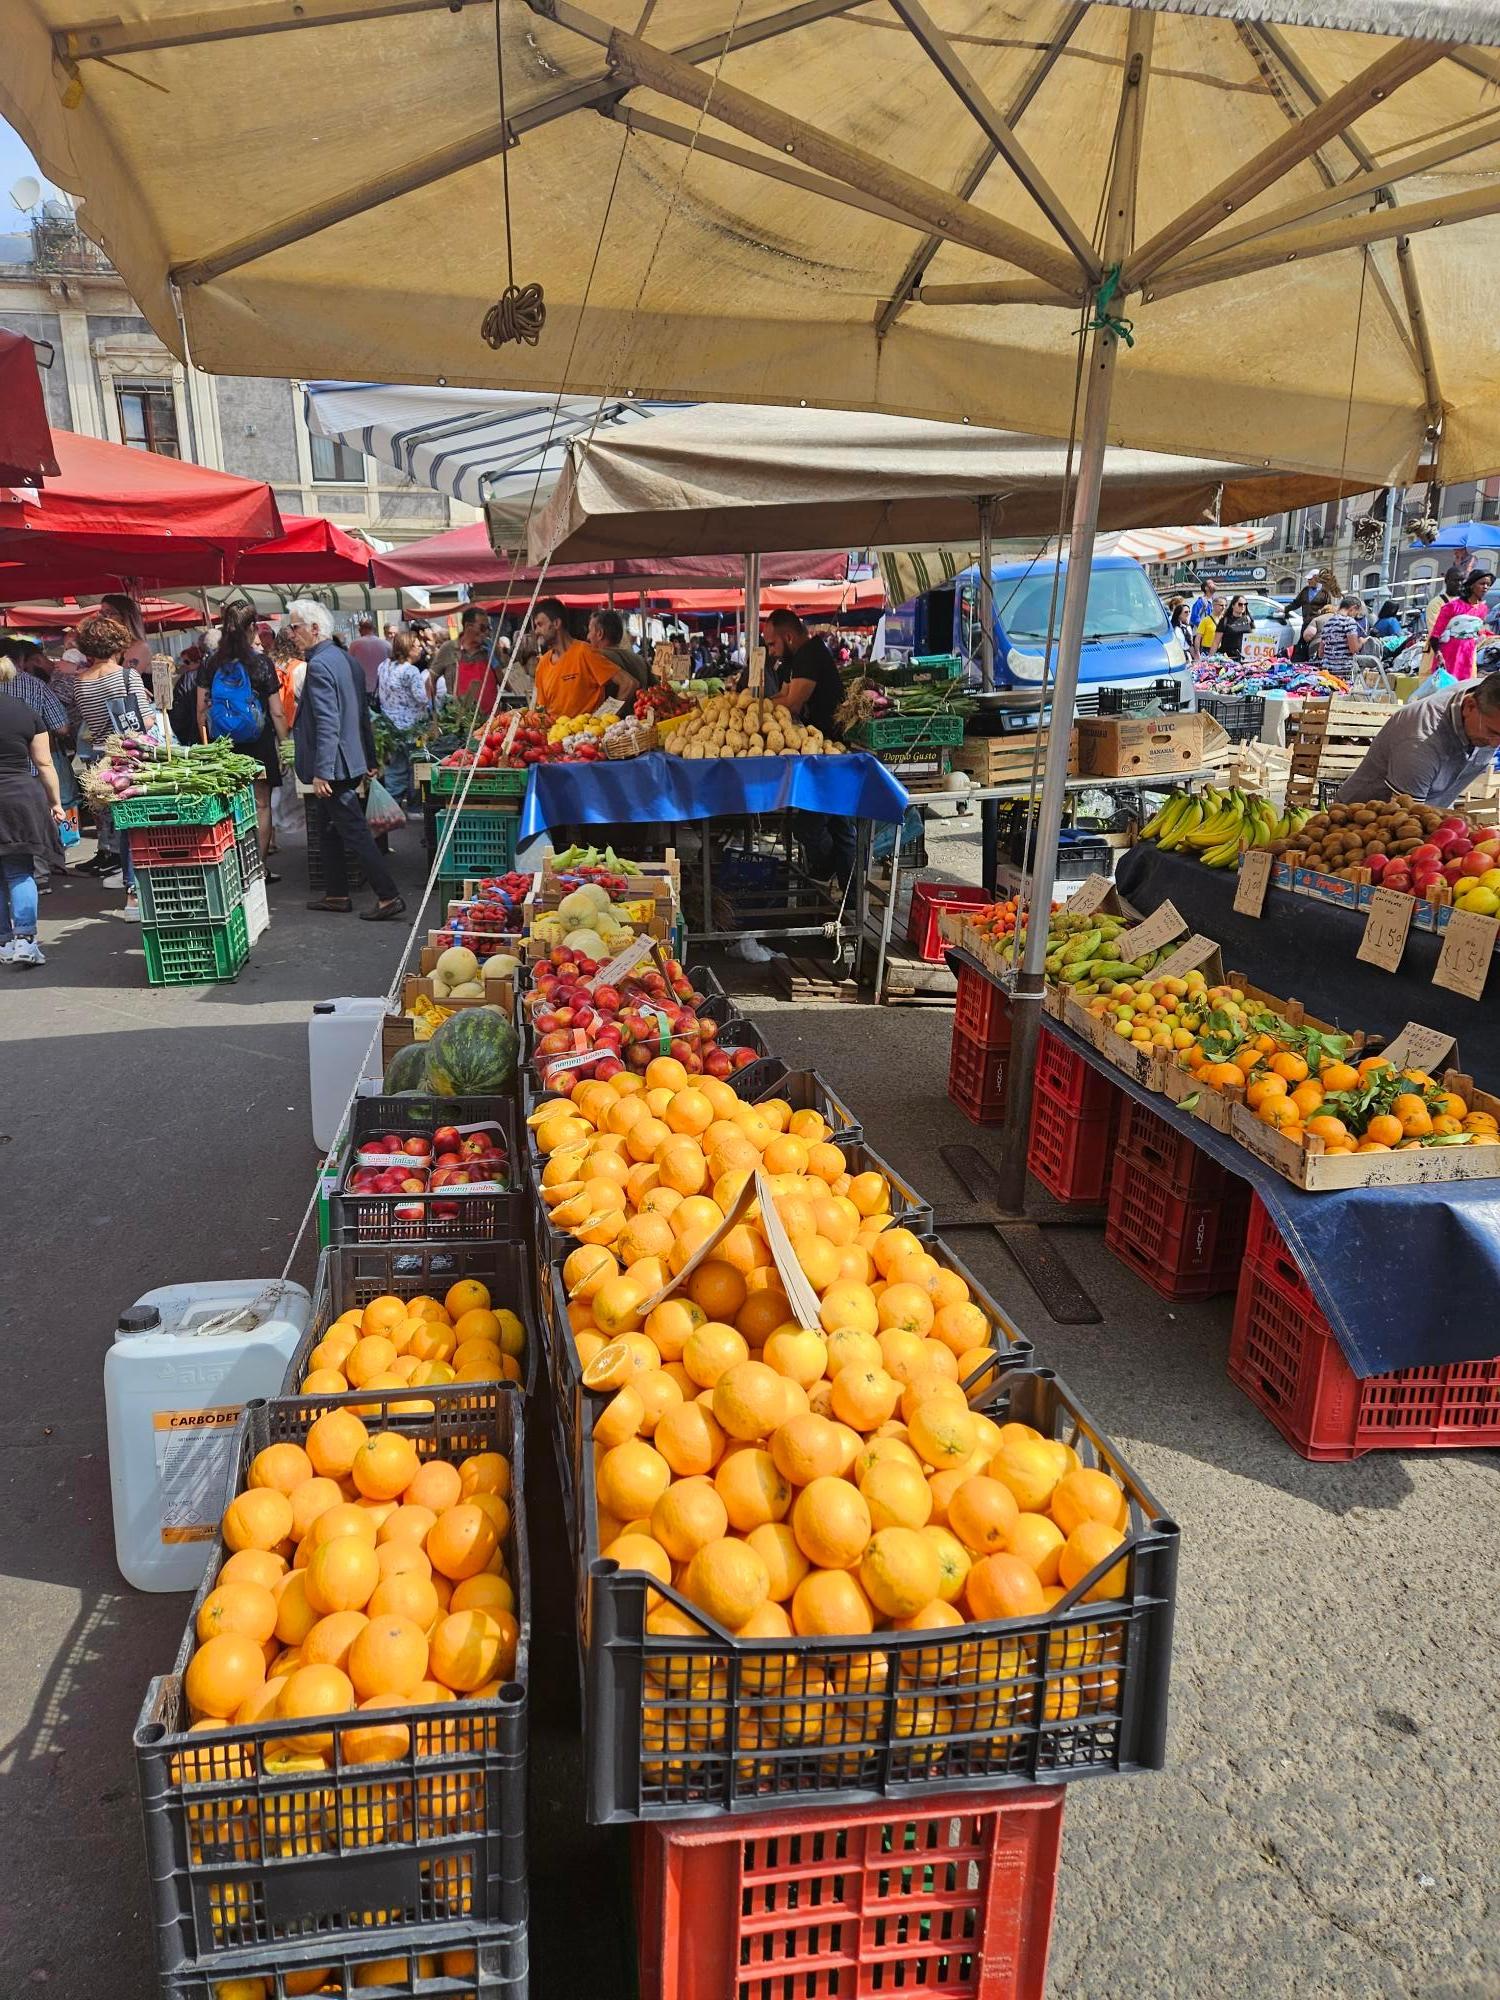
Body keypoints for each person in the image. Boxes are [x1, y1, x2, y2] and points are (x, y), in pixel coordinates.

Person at [287, 598, 405, 921]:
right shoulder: (345, 660)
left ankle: (388, 895)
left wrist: (322, 771)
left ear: (314, 629)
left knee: (354, 831)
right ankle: (337, 893)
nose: (291, 633)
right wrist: (369, 755)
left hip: (335, 766)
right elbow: (361, 715)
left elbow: (329, 721)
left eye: (295, 627)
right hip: (348, 760)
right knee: (329, 829)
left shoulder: (322, 665)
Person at [73, 612, 160, 915]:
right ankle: (135, 894)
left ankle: (132, 892)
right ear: (117, 642)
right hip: (128, 756)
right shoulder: (125, 675)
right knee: (135, 827)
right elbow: (144, 722)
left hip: (99, 759)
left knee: (121, 826)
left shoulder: (80, 681)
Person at [764, 607, 855, 887]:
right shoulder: (803, 656)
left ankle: (834, 878)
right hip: (820, 750)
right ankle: (845, 892)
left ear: (788, 636)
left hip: (830, 752)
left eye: (772, 644)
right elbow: (783, 695)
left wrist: (760, 707)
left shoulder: (810, 655)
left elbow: (792, 703)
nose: (771, 652)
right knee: (834, 825)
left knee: (814, 826)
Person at [197, 602, 288, 878]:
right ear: (251, 628)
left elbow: (201, 711)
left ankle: (232, 866)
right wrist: (284, 746)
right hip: (259, 744)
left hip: (224, 746)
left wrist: (205, 748)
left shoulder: (210, 662)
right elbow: (277, 711)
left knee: (229, 804)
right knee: (261, 804)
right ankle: (257, 868)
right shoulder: (261, 663)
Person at [1337, 670, 1500, 808]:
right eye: (1492, 732)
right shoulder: (1421, 742)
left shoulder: (1486, 697)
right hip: (1357, 824)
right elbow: (1405, 823)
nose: (1495, 744)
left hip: (1426, 813)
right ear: (1469, 706)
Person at [0, 681, 67, 965]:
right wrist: (56, 803)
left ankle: (3, 943)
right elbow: (44, 763)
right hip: (18, 797)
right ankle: (25, 942)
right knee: (19, 871)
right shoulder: (21, 709)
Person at [531, 598, 634, 716]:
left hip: (585, 733)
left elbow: (628, 683)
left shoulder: (585, 652)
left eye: (540, 624)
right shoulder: (542, 664)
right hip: (554, 733)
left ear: (556, 623)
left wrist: (605, 718)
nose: (536, 631)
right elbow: (541, 710)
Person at [375, 632, 432, 809]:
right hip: (412, 728)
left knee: (394, 770)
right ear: (408, 648)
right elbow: (421, 698)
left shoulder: (384, 666)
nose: (420, 649)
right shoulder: (411, 671)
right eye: (417, 645)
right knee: (416, 769)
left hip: (389, 727)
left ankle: (392, 808)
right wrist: (427, 684)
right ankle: (414, 807)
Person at [1425, 570, 1495, 683]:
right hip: (1448, 655)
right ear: (1472, 585)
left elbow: (1479, 631)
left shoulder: (1482, 609)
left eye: (1488, 584)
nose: (1486, 587)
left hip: (1468, 655)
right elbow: (1435, 635)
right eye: (1482, 583)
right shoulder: (1452, 607)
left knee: (1463, 691)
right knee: (1444, 690)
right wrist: (1439, 655)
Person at [430, 607, 499, 711]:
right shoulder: (449, 648)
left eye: (488, 628)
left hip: (491, 720)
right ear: (468, 626)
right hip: (459, 721)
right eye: (482, 628)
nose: (486, 632)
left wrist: (495, 662)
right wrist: (434, 709)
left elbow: (508, 684)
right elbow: (431, 678)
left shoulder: (491, 648)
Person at [587, 608, 651, 689]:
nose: (588, 636)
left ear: (600, 633)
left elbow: (629, 684)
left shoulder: (597, 658)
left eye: (590, 631)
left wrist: (613, 702)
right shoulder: (641, 661)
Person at [1317, 595, 1366, 668]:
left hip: (1327, 670)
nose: (1355, 616)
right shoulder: (1349, 621)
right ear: (1353, 608)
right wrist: (1361, 642)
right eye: (1356, 613)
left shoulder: (1328, 622)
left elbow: (1320, 652)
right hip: (1344, 669)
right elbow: (1354, 649)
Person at [346, 617, 389, 696]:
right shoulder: (386, 644)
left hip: (362, 686)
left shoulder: (354, 644)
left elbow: (348, 664)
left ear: (360, 629)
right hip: (383, 686)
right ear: (374, 629)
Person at [1217, 595, 1255, 664]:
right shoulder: (1225, 621)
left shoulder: (1248, 619)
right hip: (1228, 659)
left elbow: (1253, 639)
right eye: (1240, 604)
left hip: (1245, 658)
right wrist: (1210, 660)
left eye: (1245, 604)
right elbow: (1216, 642)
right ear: (1233, 605)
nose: (1243, 606)